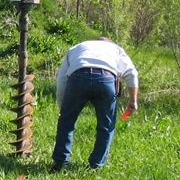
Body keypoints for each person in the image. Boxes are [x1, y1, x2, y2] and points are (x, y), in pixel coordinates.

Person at [51, 37, 139, 171]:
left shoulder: (77, 47)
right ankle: (96, 166)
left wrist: (63, 107)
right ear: (108, 43)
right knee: (106, 126)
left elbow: (62, 79)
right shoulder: (116, 49)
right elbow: (131, 73)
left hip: (78, 78)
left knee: (66, 123)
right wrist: (133, 100)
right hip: (106, 80)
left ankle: (60, 163)